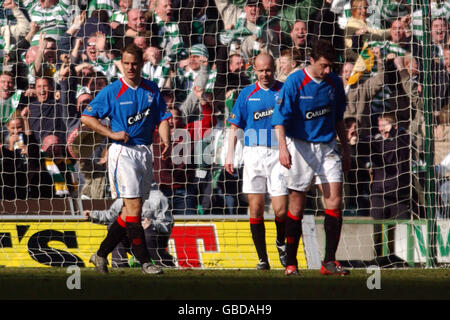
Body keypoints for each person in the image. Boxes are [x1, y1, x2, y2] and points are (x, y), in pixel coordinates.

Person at [81, 43, 172, 275]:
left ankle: (100, 254)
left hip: (145, 151)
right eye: (127, 64)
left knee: (128, 212)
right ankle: (145, 263)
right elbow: (87, 117)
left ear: (141, 64)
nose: (130, 68)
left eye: (135, 63)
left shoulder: (151, 89)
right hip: (122, 151)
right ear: (121, 64)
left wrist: (166, 140)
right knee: (134, 209)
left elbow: (163, 117)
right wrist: (111, 134)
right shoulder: (112, 91)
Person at [272, 39, 351, 276]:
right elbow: (279, 119)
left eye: (331, 66)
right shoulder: (295, 81)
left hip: (327, 147)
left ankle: (329, 262)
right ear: (312, 61)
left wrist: (346, 149)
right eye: (324, 66)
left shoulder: (334, 83)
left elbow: (338, 118)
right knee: (296, 205)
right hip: (299, 147)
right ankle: (292, 263)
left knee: (335, 200)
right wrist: (283, 149)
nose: (328, 71)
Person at [226, 52, 288, 270]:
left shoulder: (283, 91)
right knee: (256, 208)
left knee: (281, 210)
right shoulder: (246, 94)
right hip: (252, 153)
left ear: (274, 68)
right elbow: (234, 127)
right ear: (254, 70)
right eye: (261, 70)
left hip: (278, 152)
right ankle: (263, 258)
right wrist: (229, 154)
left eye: (268, 70)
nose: (265, 74)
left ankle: (281, 243)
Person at [84, 188, 176, 268]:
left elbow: (167, 224)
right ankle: (119, 265)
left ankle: (163, 263)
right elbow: (111, 215)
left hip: (151, 239)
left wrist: (153, 224)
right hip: (132, 238)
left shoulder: (159, 198)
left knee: (148, 232)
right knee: (115, 228)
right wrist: (93, 215)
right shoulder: (125, 197)